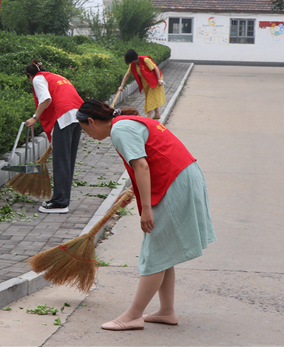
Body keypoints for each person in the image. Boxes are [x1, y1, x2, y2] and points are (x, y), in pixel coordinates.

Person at [76, 99, 215, 331]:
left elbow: (142, 166)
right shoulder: (126, 122)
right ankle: (166, 311)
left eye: (85, 130)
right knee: (164, 249)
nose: (87, 135)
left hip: (174, 182)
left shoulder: (119, 130)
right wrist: (134, 190)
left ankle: (133, 315)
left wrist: (147, 208)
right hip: (182, 175)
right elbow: (149, 158)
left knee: (155, 252)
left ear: (92, 121)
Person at [24, 60, 83, 214]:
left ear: (29, 76)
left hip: (63, 116)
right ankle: (62, 199)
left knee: (61, 161)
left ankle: (60, 203)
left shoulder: (37, 79)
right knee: (68, 160)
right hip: (77, 116)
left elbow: (46, 98)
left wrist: (35, 117)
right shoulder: (56, 77)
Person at [117, 49, 165, 119]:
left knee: (150, 99)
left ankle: (148, 118)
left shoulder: (145, 60)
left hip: (155, 80)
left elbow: (156, 68)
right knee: (151, 97)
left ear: (133, 58)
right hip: (146, 81)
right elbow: (127, 74)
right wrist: (121, 86)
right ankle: (157, 114)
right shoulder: (133, 64)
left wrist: (159, 80)